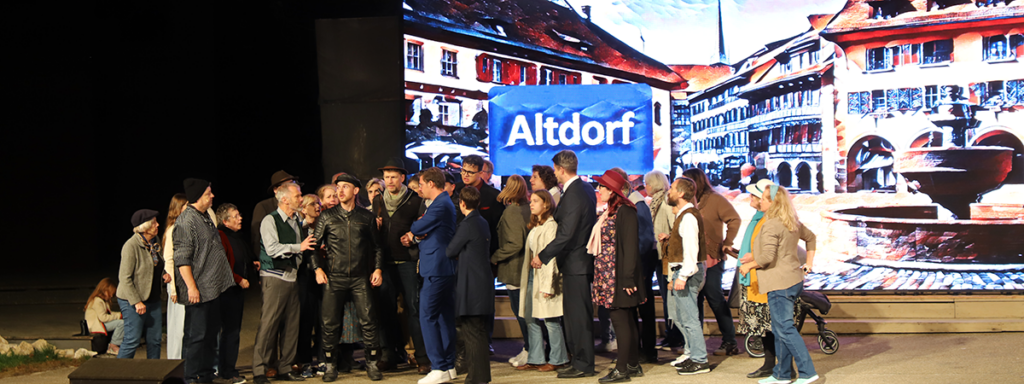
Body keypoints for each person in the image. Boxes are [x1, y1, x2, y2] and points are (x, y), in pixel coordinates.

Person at [739, 185, 819, 384]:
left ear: (773, 202)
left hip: (779, 283)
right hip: (793, 279)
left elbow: (766, 258)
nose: (761, 201)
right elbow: (811, 239)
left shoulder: (772, 224)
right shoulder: (790, 221)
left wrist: (749, 265)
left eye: (764, 198)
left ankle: (808, 372)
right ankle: (782, 374)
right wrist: (808, 263)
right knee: (779, 328)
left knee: (784, 328)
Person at [313, 173, 385, 382]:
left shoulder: (366, 217)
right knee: (329, 323)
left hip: (360, 277)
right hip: (334, 277)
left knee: (369, 321)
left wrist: (378, 269)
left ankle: (372, 363)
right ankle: (330, 365)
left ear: (355, 191)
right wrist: (317, 269)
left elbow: (378, 247)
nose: (340, 190)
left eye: (345, 186)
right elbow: (313, 247)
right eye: (338, 187)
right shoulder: (327, 216)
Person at [535, 150, 597, 379]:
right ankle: (579, 360)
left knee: (578, 317)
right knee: (574, 317)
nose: (554, 174)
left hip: (576, 263)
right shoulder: (585, 188)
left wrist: (542, 256)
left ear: (561, 169)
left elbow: (566, 233)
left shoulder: (575, 193)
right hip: (576, 262)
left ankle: (583, 364)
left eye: (554, 170)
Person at [174, 179, 237, 384]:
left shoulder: (205, 216)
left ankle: (207, 374)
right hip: (198, 289)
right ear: (199, 196)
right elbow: (182, 258)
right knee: (196, 336)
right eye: (209, 193)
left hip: (213, 288)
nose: (212, 196)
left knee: (211, 335)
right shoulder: (186, 221)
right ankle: (190, 377)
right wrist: (191, 287)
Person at [372, 158, 431, 374]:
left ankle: (422, 357)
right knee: (386, 311)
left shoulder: (415, 200)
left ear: (402, 178)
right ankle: (390, 355)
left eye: (393, 177)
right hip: (385, 264)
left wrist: (413, 237)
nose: (389, 181)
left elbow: (424, 228)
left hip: (407, 261)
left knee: (414, 310)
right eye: (386, 177)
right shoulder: (378, 200)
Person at [252, 182, 315, 384]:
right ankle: (259, 370)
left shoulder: (296, 219)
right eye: (298, 196)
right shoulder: (270, 221)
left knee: (291, 326)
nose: (301, 198)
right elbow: (272, 249)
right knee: (269, 325)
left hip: (292, 277)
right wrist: (300, 247)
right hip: (274, 276)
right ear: (285, 199)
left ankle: (286, 367)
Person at [589, 170, 645, 383]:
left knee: (622, 320)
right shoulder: (611, 212)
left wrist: (628, 278)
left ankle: (622, 369)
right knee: (625, 319)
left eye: (602, 186)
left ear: (612, 190)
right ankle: (632, 364)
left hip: (619, 275)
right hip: (610, 273)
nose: (599, 190)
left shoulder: (625, 211)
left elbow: (630, 247)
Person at [406, 167, 458, 384]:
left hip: (437, 267)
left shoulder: (440, 205)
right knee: (444, 316)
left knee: (427, 315)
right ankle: (448, 365)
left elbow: (417, 226)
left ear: (431, 184)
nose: (420, 188)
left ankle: (438, 366)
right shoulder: (442, 203)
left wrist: (417, 230)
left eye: (422, 184)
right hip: (441, 267)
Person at [682, 168, 741, 356]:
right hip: (692, 259)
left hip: (712, 258)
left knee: (715, 298)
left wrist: (727, 242)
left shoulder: (715, 200)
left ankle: (730, 341)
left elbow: (734, 219)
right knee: (694, 301)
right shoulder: (686, 203)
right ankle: (695, 344)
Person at [661, 177, 711, 375]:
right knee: (685, 317)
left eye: (672, 188)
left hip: (687, 273)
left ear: (681, 193)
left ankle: (700, 359)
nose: (669, 191)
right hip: (683, 272)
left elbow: (692, 250)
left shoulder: (689, 217)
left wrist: (682, 276)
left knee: (690, 318)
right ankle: (693, 355)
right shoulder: (684, 215)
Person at [446, 186, 494, 384]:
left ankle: (476, 378)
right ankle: (481, 377)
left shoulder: (467, 224)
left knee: (472, 333)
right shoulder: (482, 222)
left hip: (471, 287)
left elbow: (450, 250)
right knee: (479, 333)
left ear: (462, 204)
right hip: (482, 284)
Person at [517, 189, 568, 372]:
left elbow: (551, 258)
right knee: (530, 318)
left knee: (550, 319)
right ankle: (536, 357)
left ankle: (559, 358)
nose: (531, 204)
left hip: (545, 278)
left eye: (536, 201)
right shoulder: (537, 225)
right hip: (532, 277)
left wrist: (548, 285)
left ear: (546, 204)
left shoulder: (551, 226)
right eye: (531, 200)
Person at [610, 168, 658, 363]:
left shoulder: (636, 202)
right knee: (634, 311)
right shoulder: (629, 202)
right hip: (635, 265)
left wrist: (642, 269)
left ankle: (646, 351)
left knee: (643, 310)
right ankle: (636, 351)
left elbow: (645, 239)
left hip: (640, 265)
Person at [490, 175, 531, 367]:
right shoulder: (526, 208)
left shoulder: (512, 212)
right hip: (522, 267)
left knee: (520, 311)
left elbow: (515, 243)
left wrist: (495, 257)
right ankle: (530, 348)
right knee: (524, 311)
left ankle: (529, 349)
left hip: (515, 268)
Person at [117, 209, 168, 360]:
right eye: (153, 223)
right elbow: (124, 278)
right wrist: (136, 301)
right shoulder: (131, 246)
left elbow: (156, 264)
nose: (157, 225)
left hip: (153, 299)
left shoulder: (154, 240)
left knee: (155, 341)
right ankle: (115, 376)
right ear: (144, 227)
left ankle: (154, 376)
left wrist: (164, 273)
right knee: (132, 340)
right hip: (132, 300)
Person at [645, 170, 684, 352]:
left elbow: (675, 228)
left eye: (647, 183)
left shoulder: (666, 203)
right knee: (666, 296)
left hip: (666, 257)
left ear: (653, 185)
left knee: (670, 298)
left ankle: (674, 335)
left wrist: (666, 237)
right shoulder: (656, 202)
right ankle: (671, 334)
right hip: (658, 255)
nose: (645, 187)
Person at [215, 204, 252, 384]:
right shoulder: (221, 235)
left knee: (233, 331)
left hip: (236, 290)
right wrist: (238, 279)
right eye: (236, 216)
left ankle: (228, 368)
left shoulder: (236, 236)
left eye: (239, 214)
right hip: (227, 290)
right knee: (230, 332)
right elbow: (224, 264)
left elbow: (240, 258)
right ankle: (227, 371)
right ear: (225, 221)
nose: (240, 218)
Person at [163, 193, 189, 359]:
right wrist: (173, 289)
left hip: (184, 282)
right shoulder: (173, 229)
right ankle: (176, 361)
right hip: (177, 284)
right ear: (180, 208)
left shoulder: (184, 227)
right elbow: (169, 260)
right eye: (187, 205)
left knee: (186, 325)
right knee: (178, 326)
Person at [252, 170, 301, 253]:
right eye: (288, 185)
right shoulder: (264, 206)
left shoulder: (296, 205)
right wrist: (258, 257)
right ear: (276, 190)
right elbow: (256, 235)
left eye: (293, 183)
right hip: (273, 260)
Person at [84, 278, 123, 355]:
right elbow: (103, 317)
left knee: (120, 322)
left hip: (100, 323)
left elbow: (109, 313)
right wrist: (119, 316)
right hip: (96, 325)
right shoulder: (97, 301)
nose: (112, 295)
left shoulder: (102, 301)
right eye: (111, 293)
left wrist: (120, 314)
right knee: (121, 324)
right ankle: (113, 345)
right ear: (106, 290)